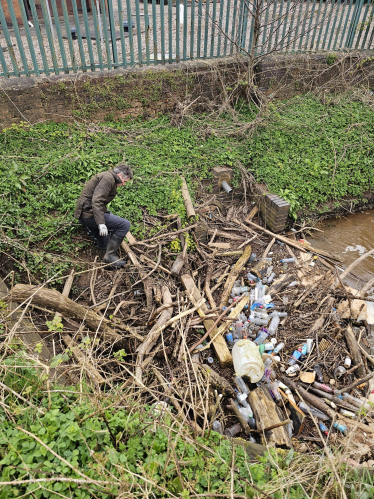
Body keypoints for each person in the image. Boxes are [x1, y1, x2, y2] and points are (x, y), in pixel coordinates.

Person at [75, 163, 133, 268]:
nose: (124, 184)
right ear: (120, 175)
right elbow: (97, 201)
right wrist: (101, 223)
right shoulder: (108, 178)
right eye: (125, 181)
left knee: (104, 237)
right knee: (125, 224)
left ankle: (106, 263)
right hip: (88, 214)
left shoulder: (107, 176)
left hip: (85, 213)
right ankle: (110, 256)